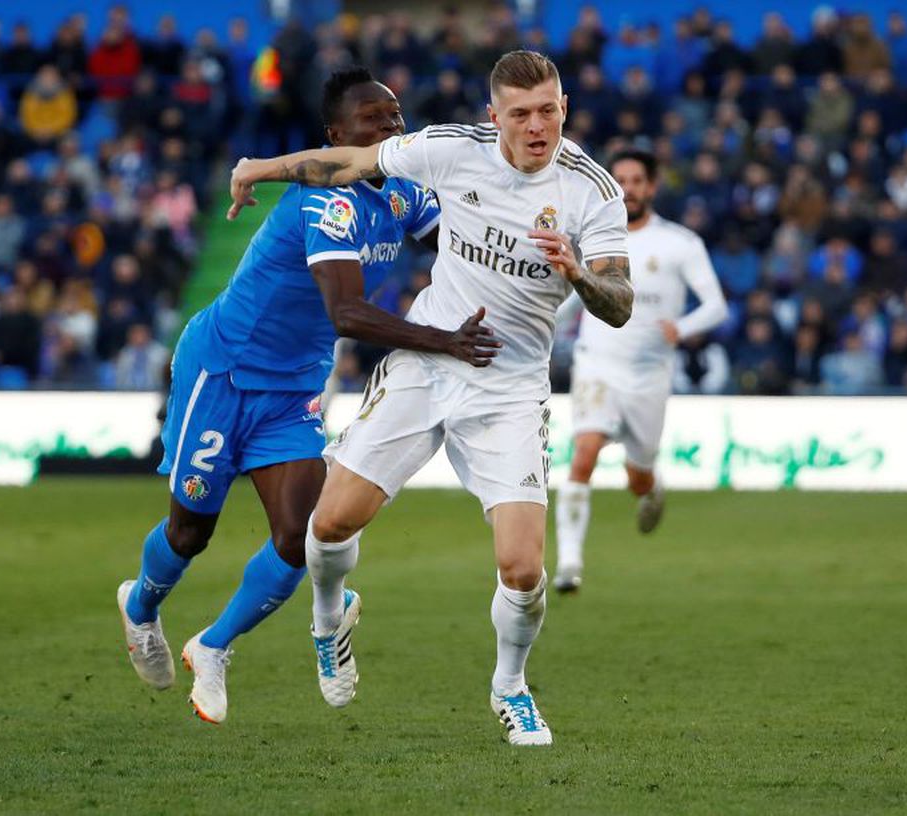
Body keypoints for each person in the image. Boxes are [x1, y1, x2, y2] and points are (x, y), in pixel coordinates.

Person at [227, 50, 632, 746]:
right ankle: (330, 619)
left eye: (549, 110)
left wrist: (578, 274)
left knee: (524, 567)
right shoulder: (451, 149)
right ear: (493, 116)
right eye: (521, 113)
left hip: (508, 388)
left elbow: (620, 302)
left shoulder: (592, 191)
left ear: (563, 106)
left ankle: (511, 685)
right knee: (326, 528)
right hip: (425, 362)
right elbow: (348, 164)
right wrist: (260, 169)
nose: (537, 126)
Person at [116, 68, 499, 724]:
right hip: (225, 371)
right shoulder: (327, 202)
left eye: (396, 117)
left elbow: (460, 243)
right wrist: (444, 339)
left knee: (301, 534)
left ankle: (213, 646)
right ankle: (140, 607)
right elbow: (348, 313)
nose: (390, 129)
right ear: (336, 136)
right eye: (373, 121)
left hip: (294, 386)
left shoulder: (404, 192)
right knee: (190, 532)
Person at [554, 149, 726, 593]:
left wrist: (681, 327)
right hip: (598, 364)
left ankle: (650, 488)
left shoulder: (680, 243)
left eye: (636, 181)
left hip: (650, 375)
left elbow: (716, 306)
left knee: (637, 475)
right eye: (621, 180)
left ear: (651, 187)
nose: (628, 188)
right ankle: (569, 564)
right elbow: (574, 298)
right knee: (584, 454)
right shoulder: (595, 238)